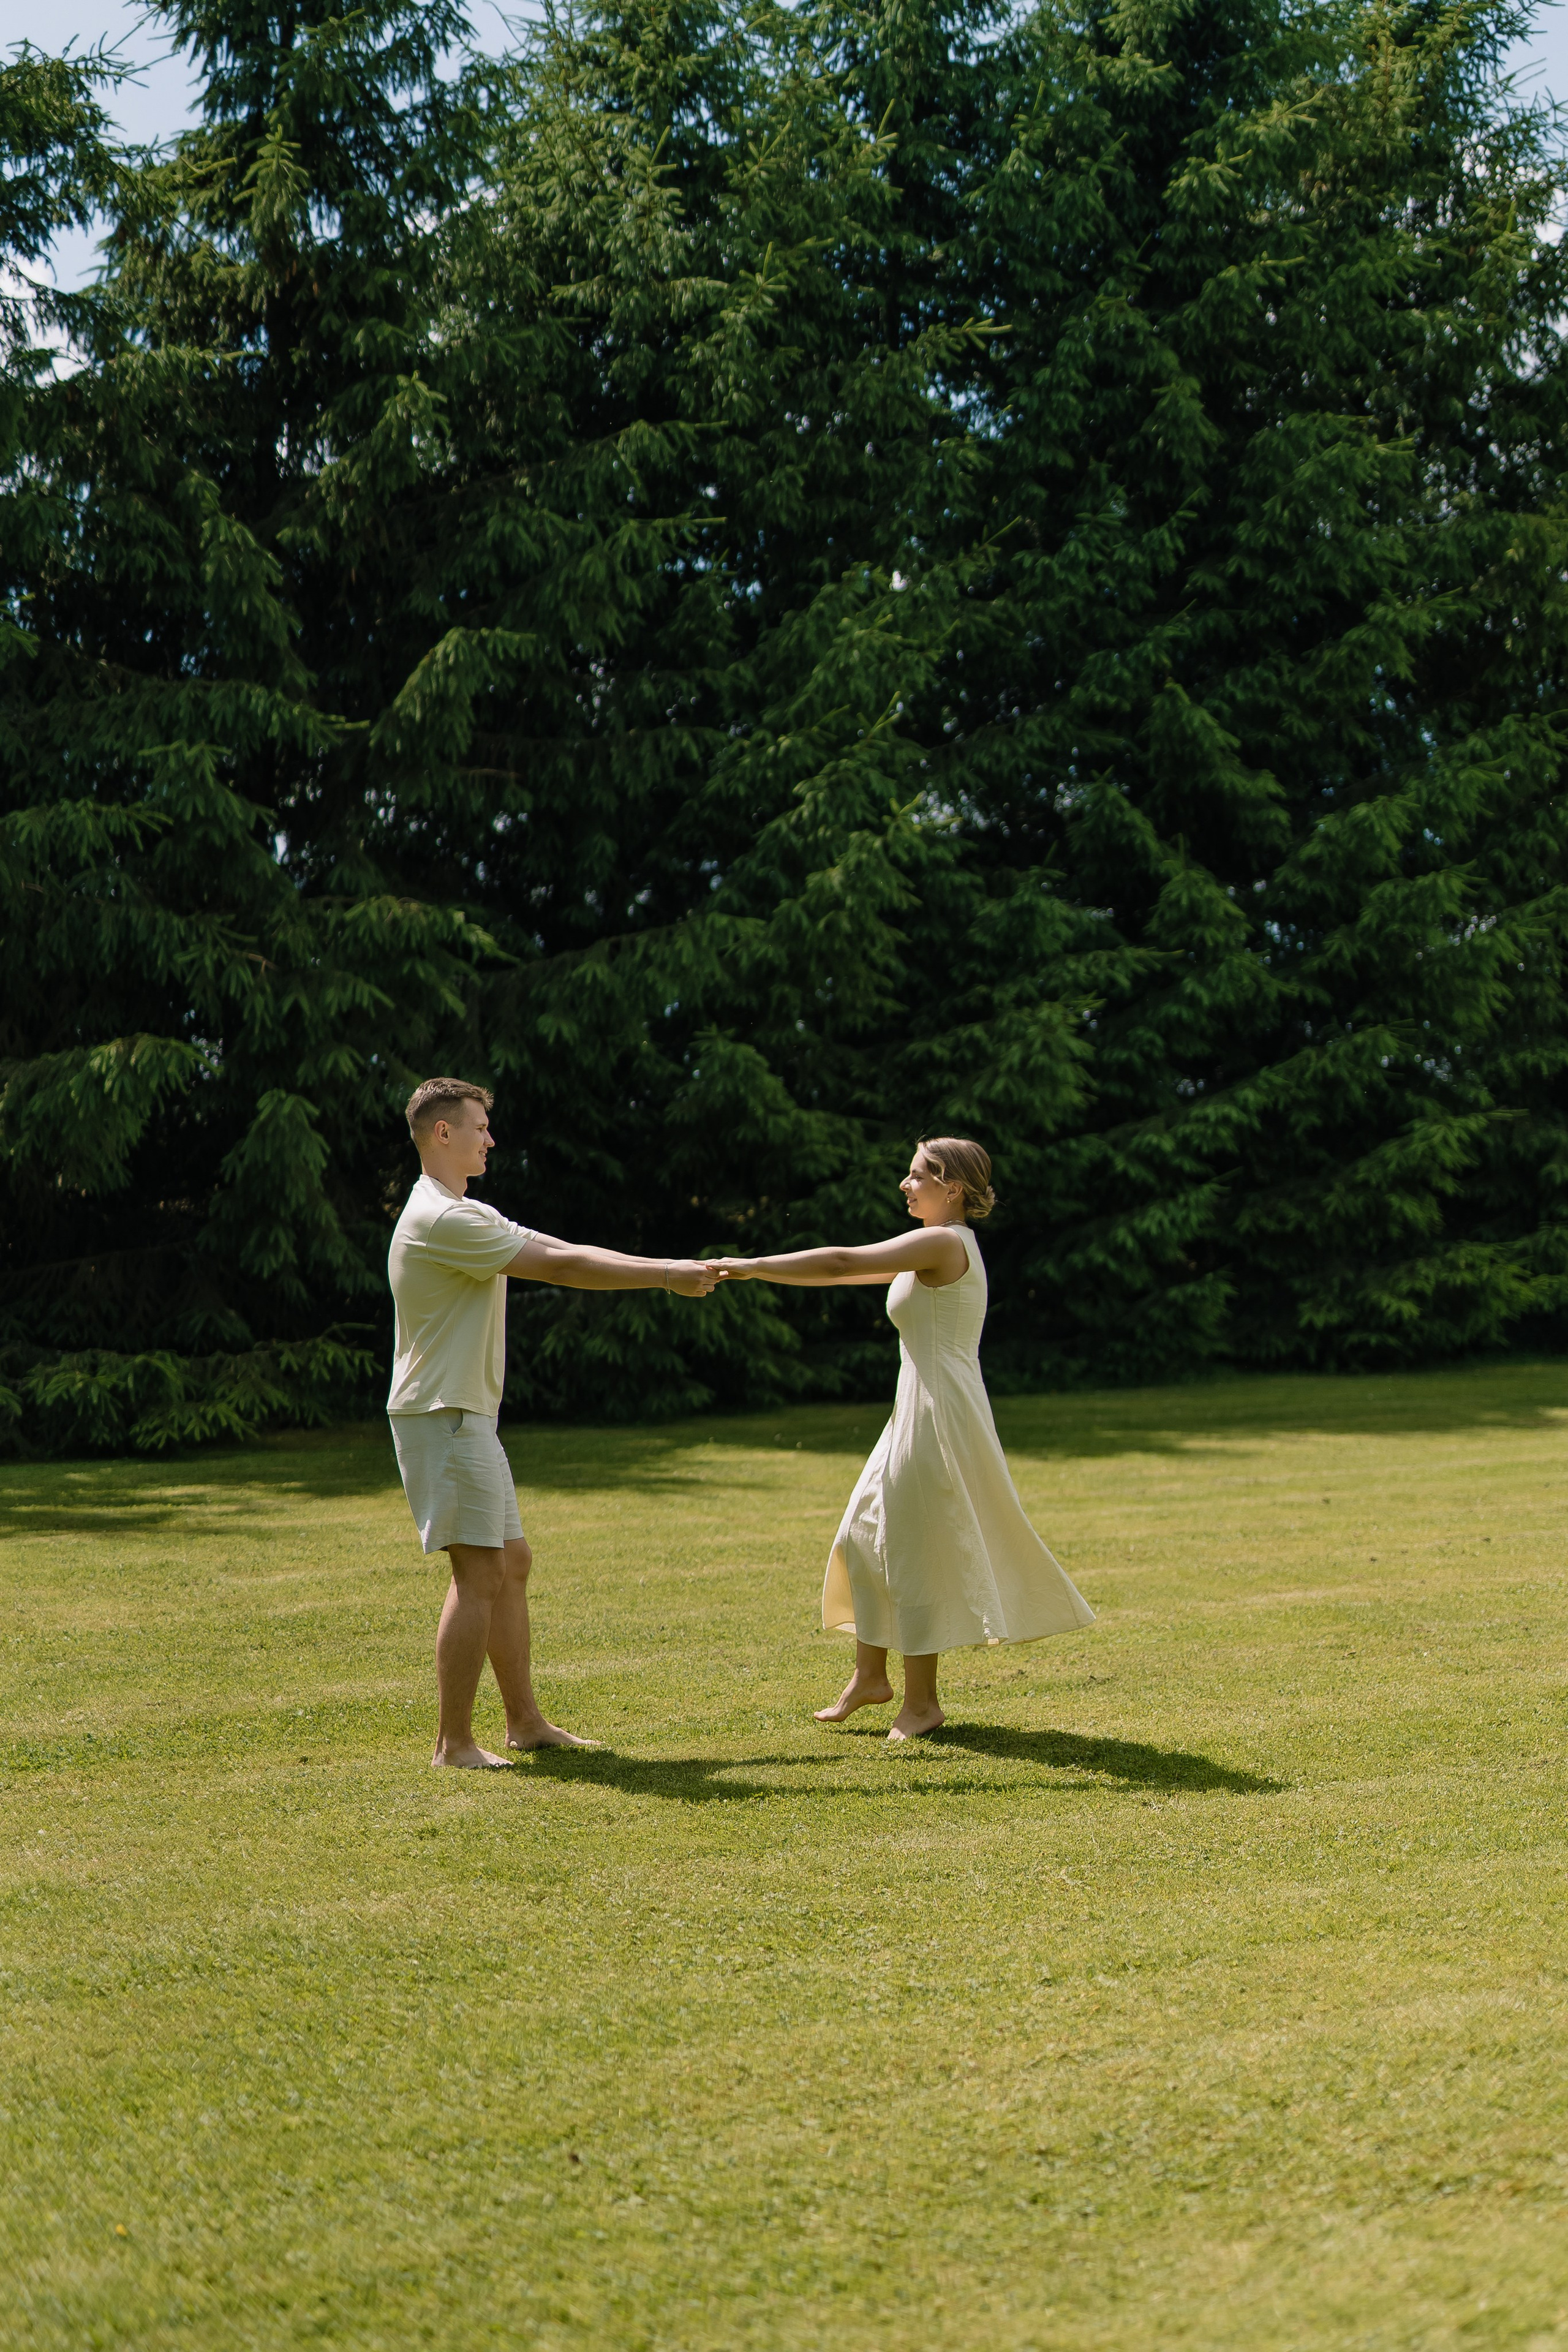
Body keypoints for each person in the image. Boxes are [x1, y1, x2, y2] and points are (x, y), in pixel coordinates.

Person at [388, 1076, 718, 1770]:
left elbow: (563, 1245)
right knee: (478, 1574)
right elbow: (563, 1266)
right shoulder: (445, 1219)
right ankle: (454, 1744)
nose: (491, 1138)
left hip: (463, 1414)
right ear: (442, 1133)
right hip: (444, 1415)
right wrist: (665, 1277)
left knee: (511, 1563)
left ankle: (525, 1723)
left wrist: (668, 1268)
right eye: (479, 1127)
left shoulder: (461, 1211)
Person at [717, 1137, 1093, 1740]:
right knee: (864, 1534)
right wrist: (766, 1274)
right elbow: (844, 1274)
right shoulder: (928, 1247)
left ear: (954, 1189)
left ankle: (921, 1703)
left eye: (917, 1176)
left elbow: (842, 1261)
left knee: (916, 1551)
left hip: (940, 1417)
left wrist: (753, 1265)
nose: (904, 1184)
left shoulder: (943, 1243)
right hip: (914, 1410)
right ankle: (871, 1676)